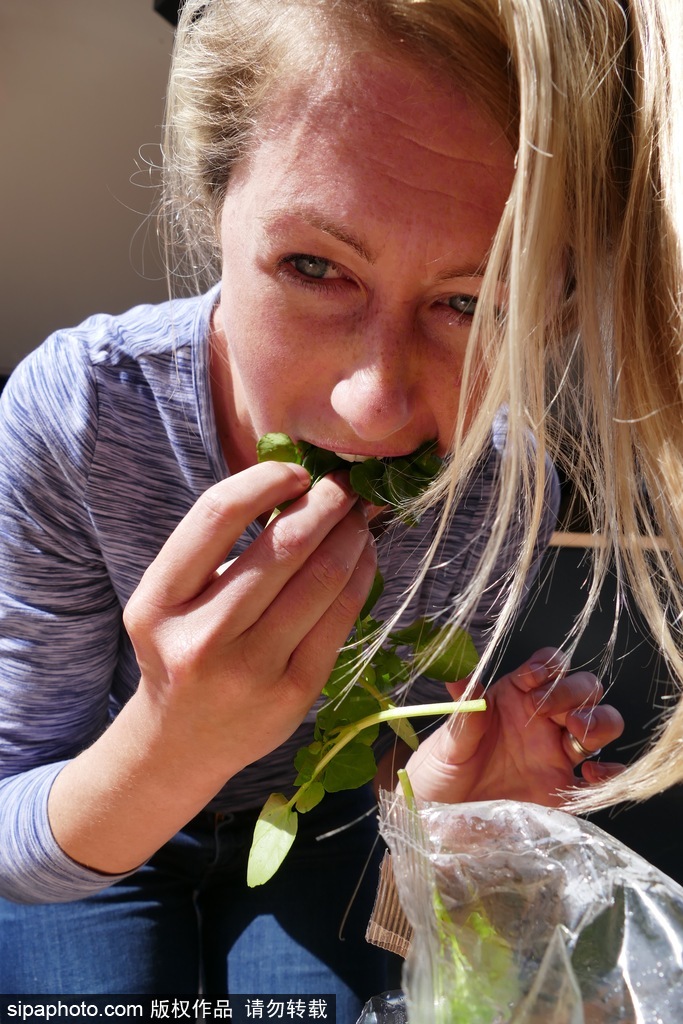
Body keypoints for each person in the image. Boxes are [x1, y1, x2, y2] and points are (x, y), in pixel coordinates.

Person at [4, 0, 674, 1010]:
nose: (374, 406)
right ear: (209, 203)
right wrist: (168, 743)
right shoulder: (81, 418)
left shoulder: (497, 484)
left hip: (327, 838)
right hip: (98, 824)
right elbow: (18, 832)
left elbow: (392, 801)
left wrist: (445, 814)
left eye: (472, 300)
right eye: (314, 268)